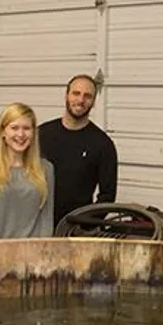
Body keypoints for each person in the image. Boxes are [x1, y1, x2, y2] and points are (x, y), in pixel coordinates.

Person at [38, 74, 118, 226]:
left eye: (87, 96)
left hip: (75, 231)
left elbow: (107, 196)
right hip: (38, 227)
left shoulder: (103, 145)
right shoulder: (41, 134)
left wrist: (87, 225)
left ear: (93, 102)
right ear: (66, 96)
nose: (81, 100)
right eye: (76, 93)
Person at [0, 103, 55, 239]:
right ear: (3, 132)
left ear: (34, 133)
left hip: (35, 254)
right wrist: (4, 253)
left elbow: (46, 219)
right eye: (14, 128)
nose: (21, 134)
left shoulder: (46, 169)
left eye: (27, 128)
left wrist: (41, 250)